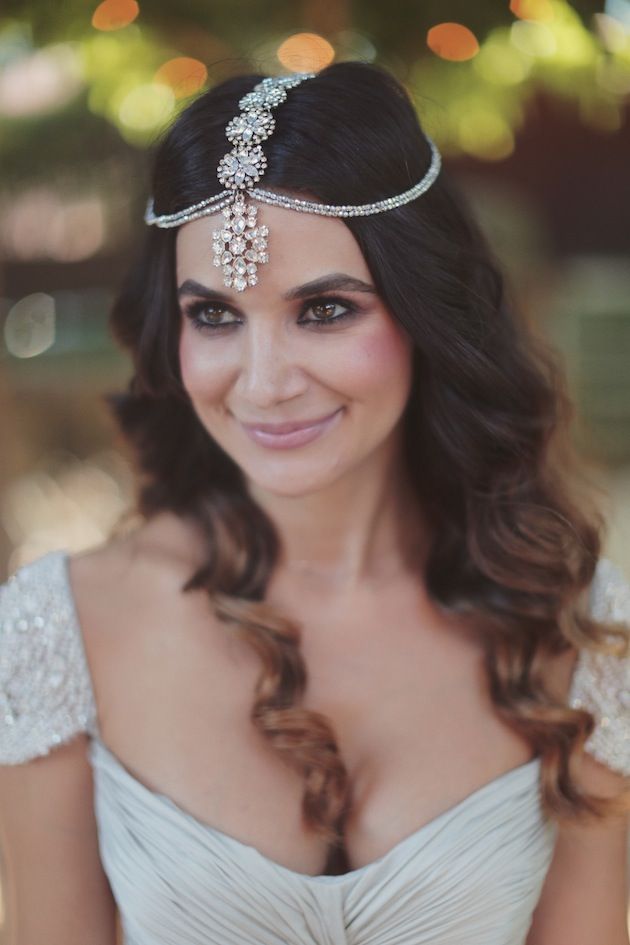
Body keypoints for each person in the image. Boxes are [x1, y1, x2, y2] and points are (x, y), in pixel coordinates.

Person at [0, 60, 629, 945]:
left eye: (325, 309)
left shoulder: (577, 624)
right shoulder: (58, 628)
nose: (263, 384)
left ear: (424, 312)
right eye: (214, 316)